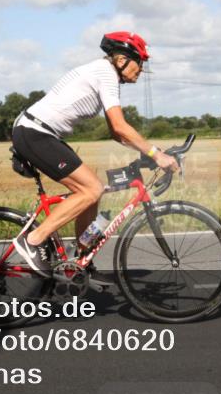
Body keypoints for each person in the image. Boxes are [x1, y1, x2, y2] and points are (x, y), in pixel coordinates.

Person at [11, 31, 179, 276]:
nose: (140, 71)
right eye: (139, 63)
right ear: (122, 60)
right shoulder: (106, 74)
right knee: (91, 189)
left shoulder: (105, 74)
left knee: (93, 191)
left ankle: (80, 260)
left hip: (39, 132)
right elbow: (121, 127)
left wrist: (149, 152)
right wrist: (156, 155)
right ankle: (34, 240)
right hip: (35, 132)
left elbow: (116, 133)